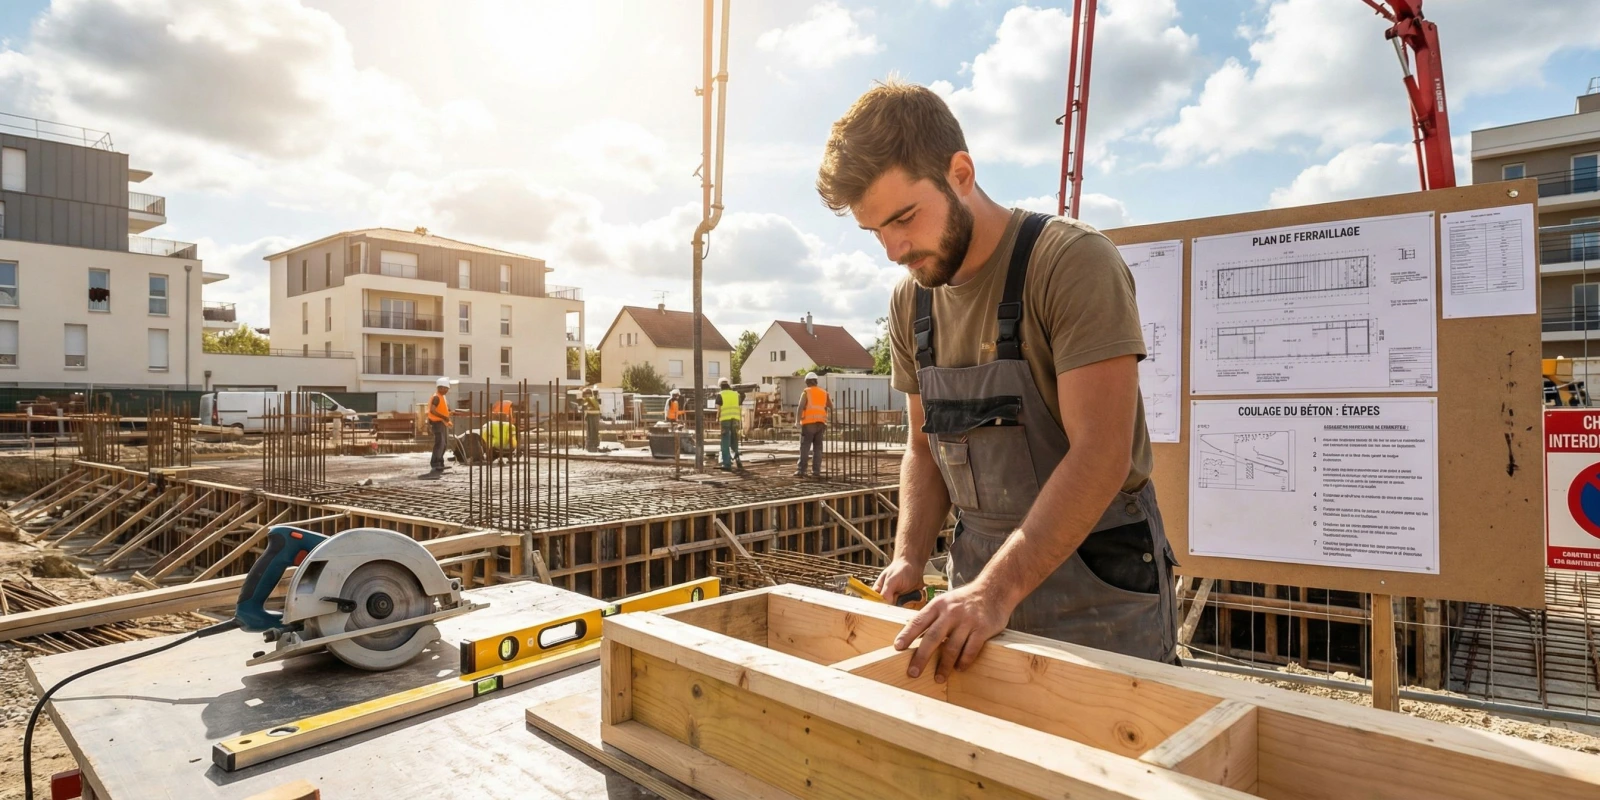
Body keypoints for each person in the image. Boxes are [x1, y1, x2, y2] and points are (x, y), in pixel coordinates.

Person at [818, 79, 1176, 683]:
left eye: (904, 217)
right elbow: (923, 448)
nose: (893, 248)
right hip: (978, 591)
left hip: (1099, 593)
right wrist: (908, 557)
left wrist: (993, 592)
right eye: (874, 230)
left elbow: (1102, 454)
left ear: (960, 173)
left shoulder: (1069, 262)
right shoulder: (913, 300)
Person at [795, 372, 832, 478]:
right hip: (821, 424)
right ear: (816, 381)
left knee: (805, 447)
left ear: (807, 382)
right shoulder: (824, 392)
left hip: (808, 424)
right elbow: (831, 406)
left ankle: (802, 470)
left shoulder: (806, 392)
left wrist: (797, 422)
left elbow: (800, 407)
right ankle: (816, 471)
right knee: (818, 448)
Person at [425, 377, 455, 477]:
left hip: (442, 423)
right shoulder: (436, 397)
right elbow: (433, 410)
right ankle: (435, 463)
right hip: (437, 423)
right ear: (441, 387)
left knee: (444, 443)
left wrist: (449, 414)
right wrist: (444, 417)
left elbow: (442, 410)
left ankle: (440, 462)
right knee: (440, 443)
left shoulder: (442, 397)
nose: (447, 390)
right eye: (446, 388)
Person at [714, 378, 743, 470]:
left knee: (725, 441)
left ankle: (727, 464)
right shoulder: (736, 394)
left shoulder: (720, 395)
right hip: (735, 420)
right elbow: (739, 406)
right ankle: (737, 459)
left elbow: (718, 409)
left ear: (720, 386)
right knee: (734, 439)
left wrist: (717, 418)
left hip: (725, 420)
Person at [582, 387, 602, 452]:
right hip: (594, 416)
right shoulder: (593, 399)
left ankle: (591, 444)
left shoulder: (588, 400)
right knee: (594, 431)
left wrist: (585, 416)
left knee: (591, 431)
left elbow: (586, 408)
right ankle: (594, 443)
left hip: (591, 416)